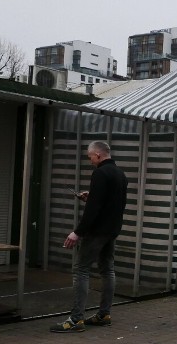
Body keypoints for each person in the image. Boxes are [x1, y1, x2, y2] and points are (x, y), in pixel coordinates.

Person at [51, 141, 128, 333]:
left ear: (99, 155)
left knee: (81, 270)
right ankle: (104, 314)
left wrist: (78, 232)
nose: (90, 160)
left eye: (90, 157)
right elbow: (114, 203)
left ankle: (76, 319)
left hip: (97, 231)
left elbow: (95, 208)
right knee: (107, 270)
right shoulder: (120, 174)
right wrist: (90, 196)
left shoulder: (100, 173)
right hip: (112, 229)